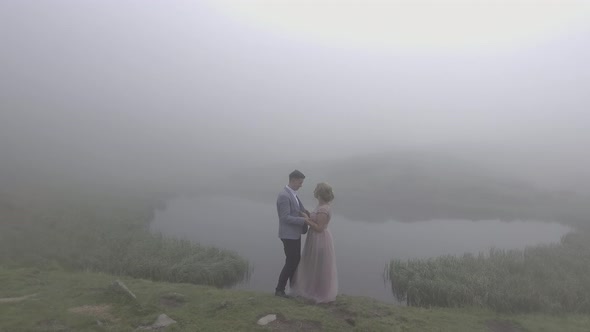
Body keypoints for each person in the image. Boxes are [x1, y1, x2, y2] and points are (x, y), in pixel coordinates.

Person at [291, 182, 338, 303]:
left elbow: (319, 228)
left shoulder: (324, 209)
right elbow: (315, 218)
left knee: (319, 265)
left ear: (320, 193)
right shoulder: (320, 205)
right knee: (313, 264)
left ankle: (320, 292)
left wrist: (305, 220)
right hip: (315, 238)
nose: (314, 191)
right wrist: (306, 214)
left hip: (320, 239)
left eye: (316, 189)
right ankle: (311, 289)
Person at [275, 170, 310, 298]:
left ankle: (294, 289)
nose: (301, 185)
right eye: (300, 182)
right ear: (293, 180)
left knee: (295, 261)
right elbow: (285, 218)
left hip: (294, 234)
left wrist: (311, 215)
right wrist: (304, 220)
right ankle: (279, 290)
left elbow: (300, 210)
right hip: (288, 235)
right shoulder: (284, 195)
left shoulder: (293, 194)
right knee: (291, 262)